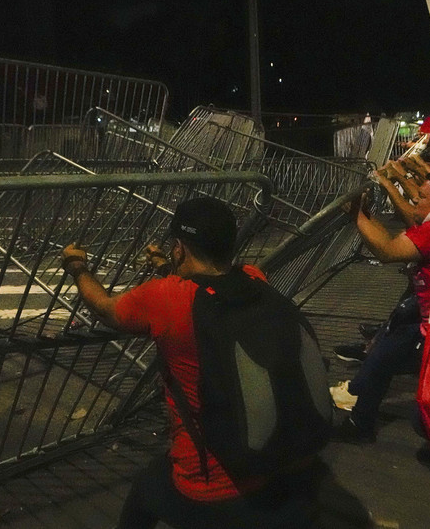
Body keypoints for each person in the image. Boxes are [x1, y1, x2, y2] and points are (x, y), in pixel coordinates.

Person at [62, 198, 321, 528]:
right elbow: (210, 286)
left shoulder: (166, 297)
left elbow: (105, 308)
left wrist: (78, 268)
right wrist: (168, 268)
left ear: (179, 249)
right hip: (271, 461)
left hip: (209, 485)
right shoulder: (255, 279)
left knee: (144, 490)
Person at [334, 170, 430, 442]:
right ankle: (360, 422)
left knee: (426, 419)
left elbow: (386, 251)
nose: (415, 201)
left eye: (422, 197)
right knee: (382, 353)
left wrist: (356, 215)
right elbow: (396, 242)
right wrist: (365, 214)